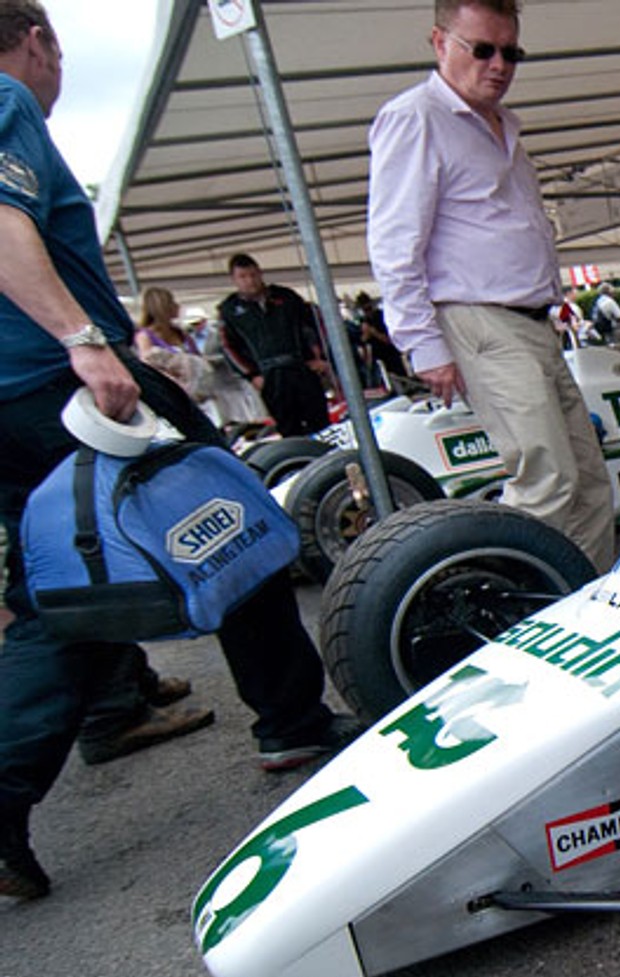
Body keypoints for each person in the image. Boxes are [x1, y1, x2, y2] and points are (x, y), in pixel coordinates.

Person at [0, 2, 360, 899]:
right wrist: (83, 339)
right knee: (234, 521)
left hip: (14, 399)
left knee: (60, 595)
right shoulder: (7, 101)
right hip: (71, 384)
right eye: (58, 52)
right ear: (38, 40)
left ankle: (18, 794)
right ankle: (290, 721)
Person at [366, 0, 615, 572]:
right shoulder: (417, 117)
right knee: (548, 478)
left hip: (530, 323)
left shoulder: (501, 126)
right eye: (483, 49)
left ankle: (583, 602)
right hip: (481, 319)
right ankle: (515, 614)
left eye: (511, 52)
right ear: (439, 42)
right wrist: (423, 344)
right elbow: (394, 241)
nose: (499, 64)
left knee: (588, 480)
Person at [216, 253, 331, 437]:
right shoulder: (229, 310)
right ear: (234, 279)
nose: (250, 281)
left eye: (253, 275)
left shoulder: (285, 297)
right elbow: (228, 347)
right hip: (269, 374)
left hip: (301, 367)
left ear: (260, 273)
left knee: (320, 423)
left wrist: (320, 358)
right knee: (289, 428)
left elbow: (314, 326)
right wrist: (252, 375)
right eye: (243, 277)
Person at [133, 285, 212, 401]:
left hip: (199, 396)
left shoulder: (181, 333)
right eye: (172, 302)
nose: (177, 306)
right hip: (173, 396)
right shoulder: (144, 337)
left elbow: (198, 358)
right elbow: (149, 367)